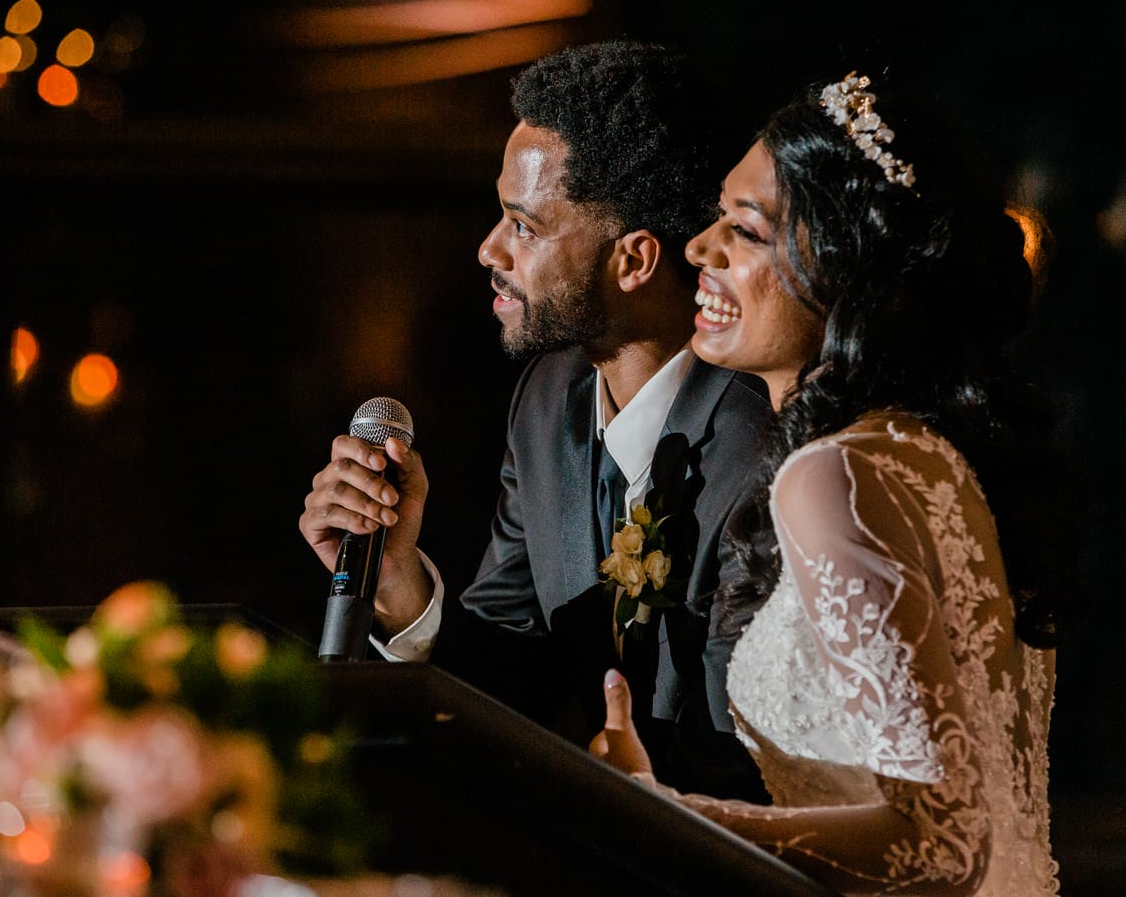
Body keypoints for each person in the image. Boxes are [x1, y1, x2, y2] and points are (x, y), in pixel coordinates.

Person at [591, 71, 1069, 895]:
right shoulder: (924, 455)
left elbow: (945, 842)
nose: (700, 249)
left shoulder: (834, 476)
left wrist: (657, 811)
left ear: (847, 265)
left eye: (744, 230)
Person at [299, 40, 774, 799]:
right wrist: (397, 588)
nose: (489, 248)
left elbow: (743, 770)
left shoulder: (760, 449)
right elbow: (509, 677)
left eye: (524, 225)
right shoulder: (548, 400)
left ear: (635, 260)